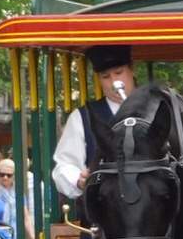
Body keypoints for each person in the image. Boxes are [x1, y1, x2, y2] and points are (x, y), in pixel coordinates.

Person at [52, 45, 136, 200]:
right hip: (103, 211)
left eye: (119, 73)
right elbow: (63, 166)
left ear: (132, 70)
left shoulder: (155, 108)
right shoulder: (82, 117)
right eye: (105, 77)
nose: (114, 82)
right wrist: (79, 180)